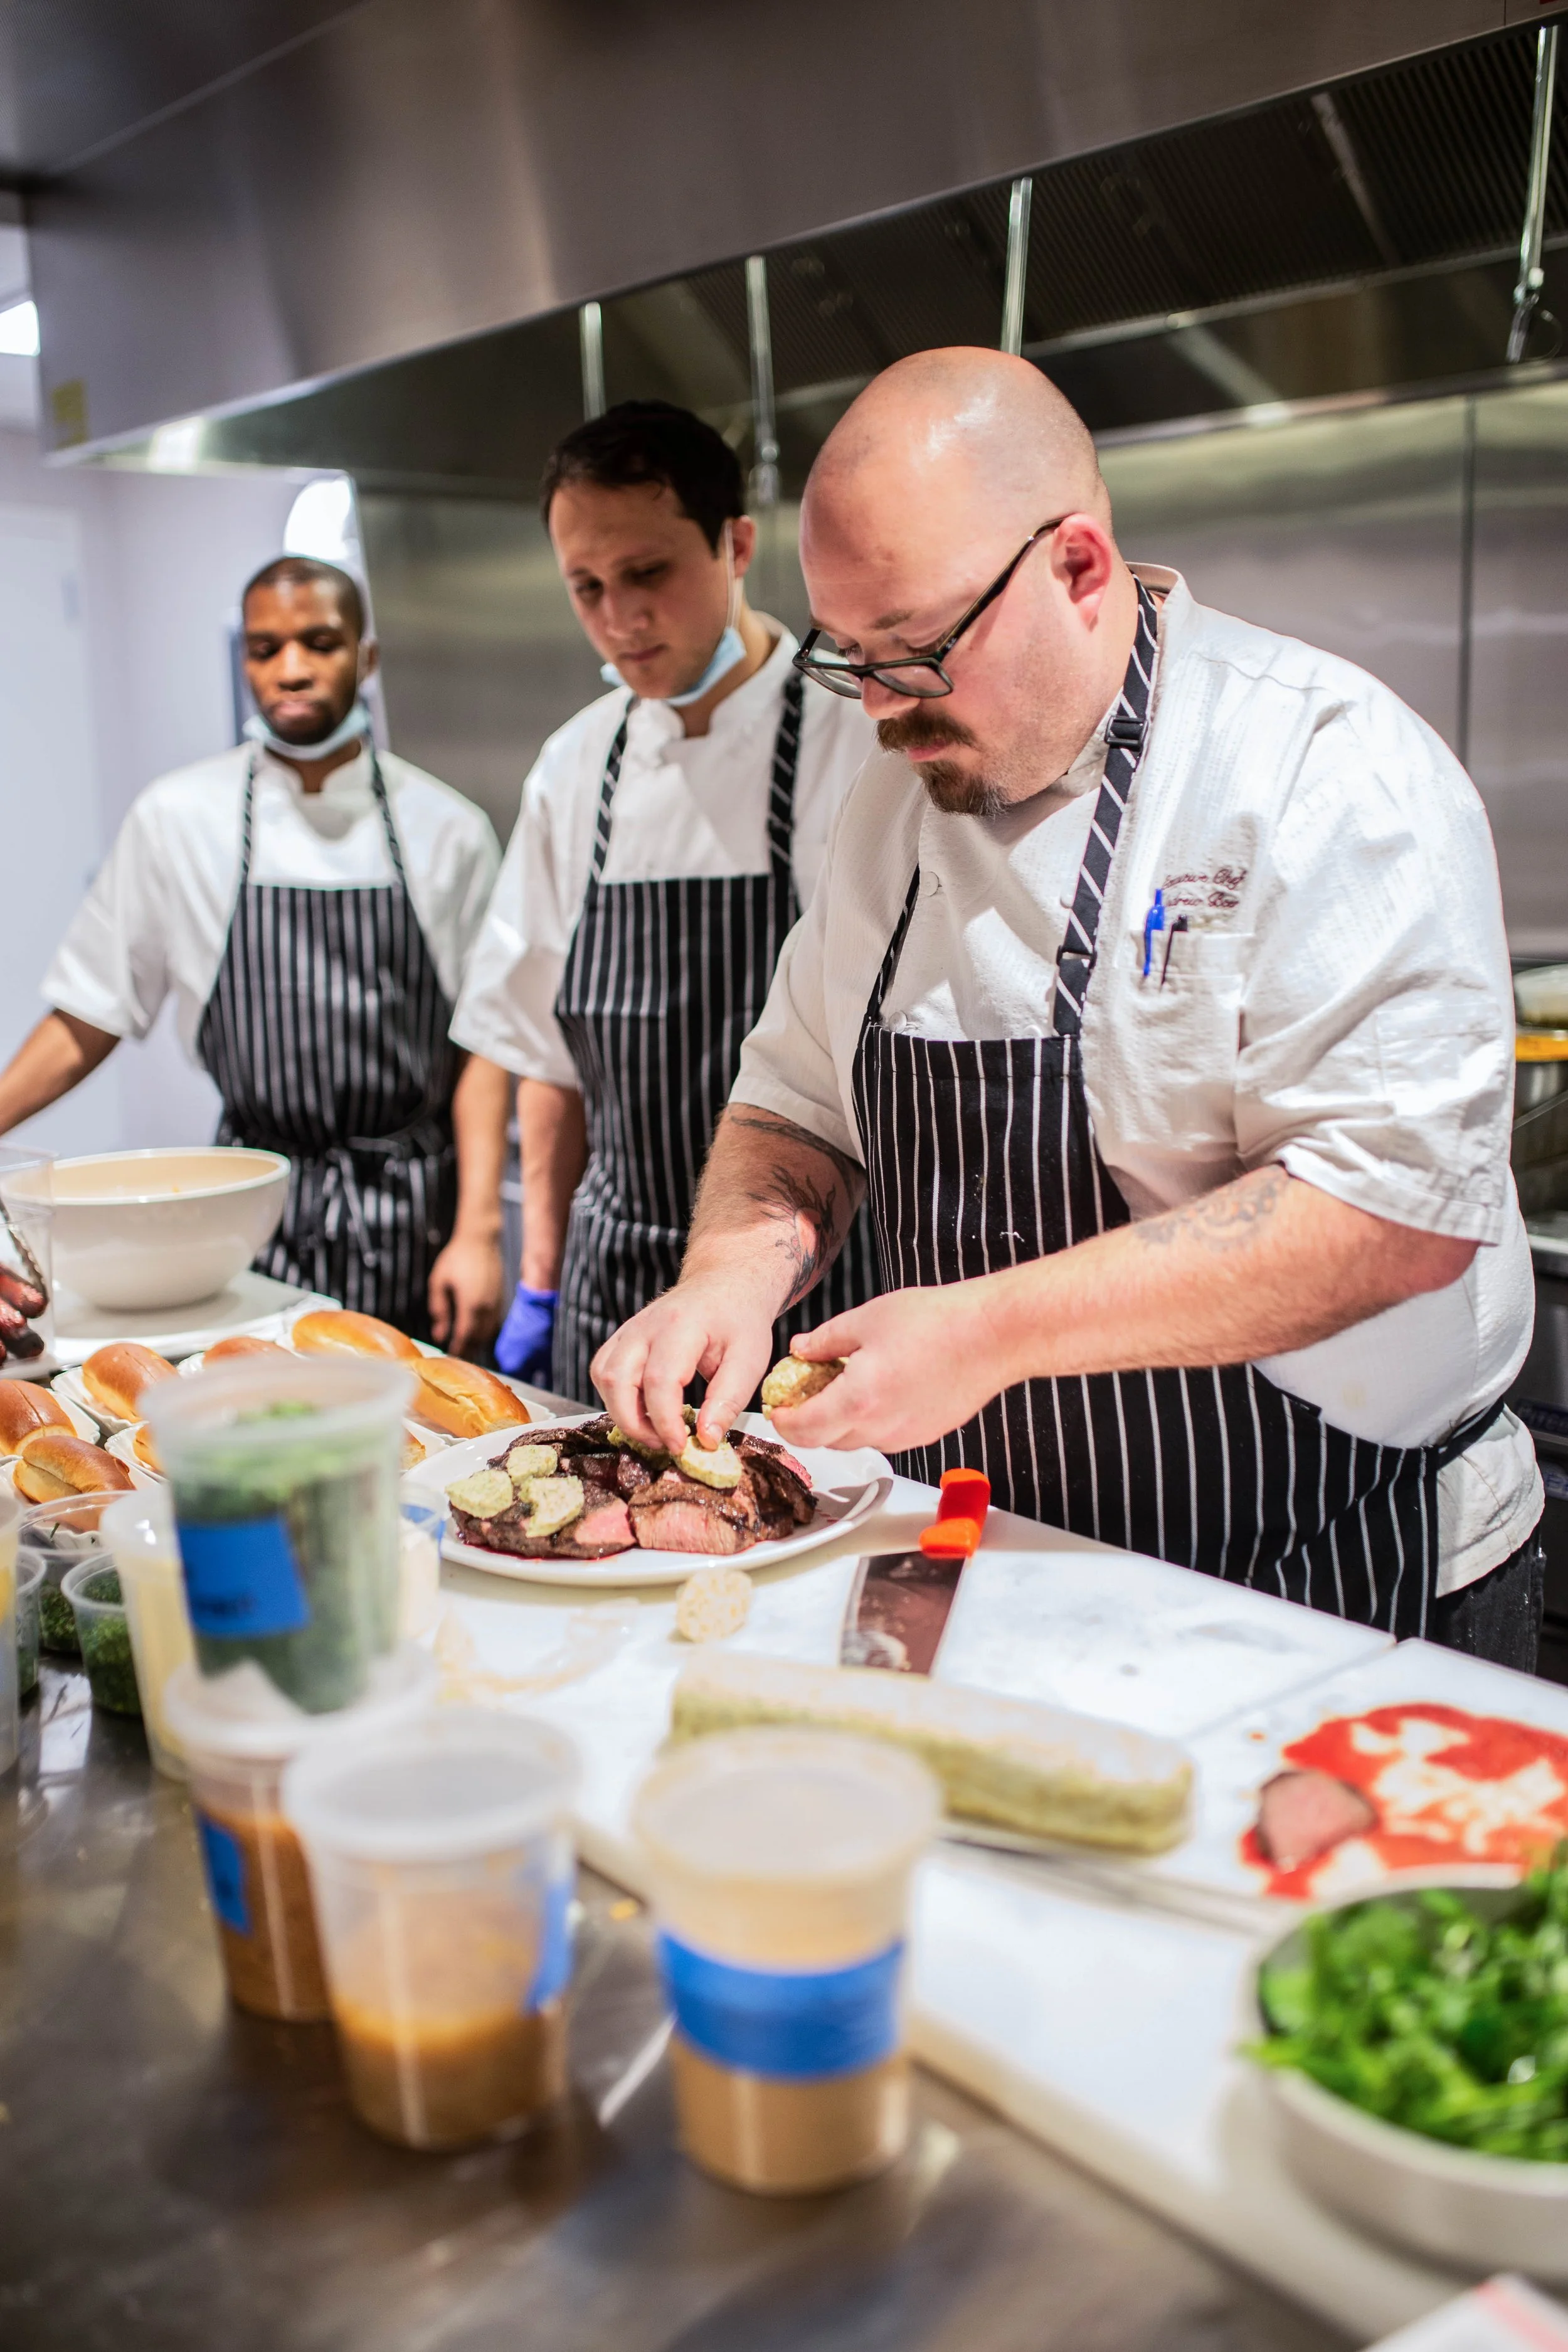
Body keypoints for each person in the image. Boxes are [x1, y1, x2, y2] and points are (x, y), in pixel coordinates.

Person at [594, 349, 1545, 1666]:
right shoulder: (894, 797)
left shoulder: (1316, 768)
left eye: (917, 651)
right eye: (848, 659)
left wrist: (983, 1331)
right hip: (989, 1557)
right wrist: (727, 1282)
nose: (878, 710)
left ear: (1079, 567)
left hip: (1320, 1561)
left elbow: (1392, 1214)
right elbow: (795, 1104)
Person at [451, 399, 881, 1402]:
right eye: (587, 588)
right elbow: (545, 1061)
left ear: (735, 544)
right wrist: (541, 1278)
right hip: (614, 1285)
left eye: (647, 574)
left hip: (806, 1284)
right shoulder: (575, 766)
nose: (618, 618)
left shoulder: (853, 735)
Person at [0, 555, 507, 1347]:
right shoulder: (177, 817)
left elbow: (485, 1046)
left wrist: (478, 1232)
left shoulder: (447, 828)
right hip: (238, 1213)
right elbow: (90, 1012)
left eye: (320, 642)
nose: (291, 669)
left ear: (366, 658)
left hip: (414, 1216)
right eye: (265, 649)